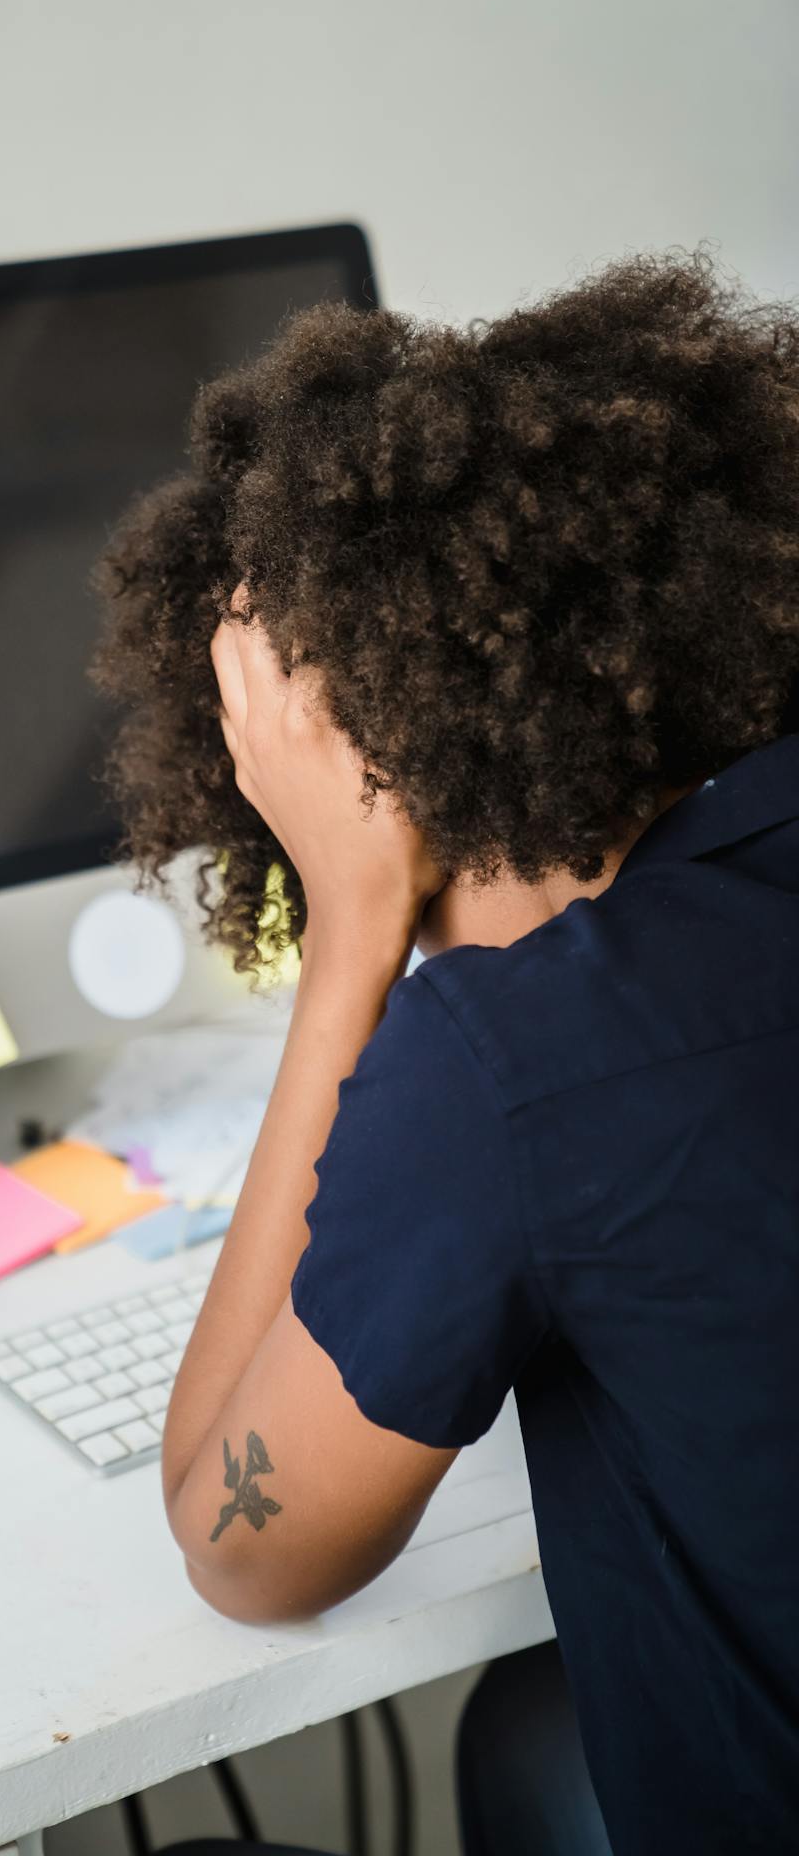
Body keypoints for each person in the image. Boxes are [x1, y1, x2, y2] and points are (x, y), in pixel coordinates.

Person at [89, 252, 799, 1856]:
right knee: (531, 1728)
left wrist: (352, 925)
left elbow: (240, 1543)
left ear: (374, 782)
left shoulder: (516, 1053)